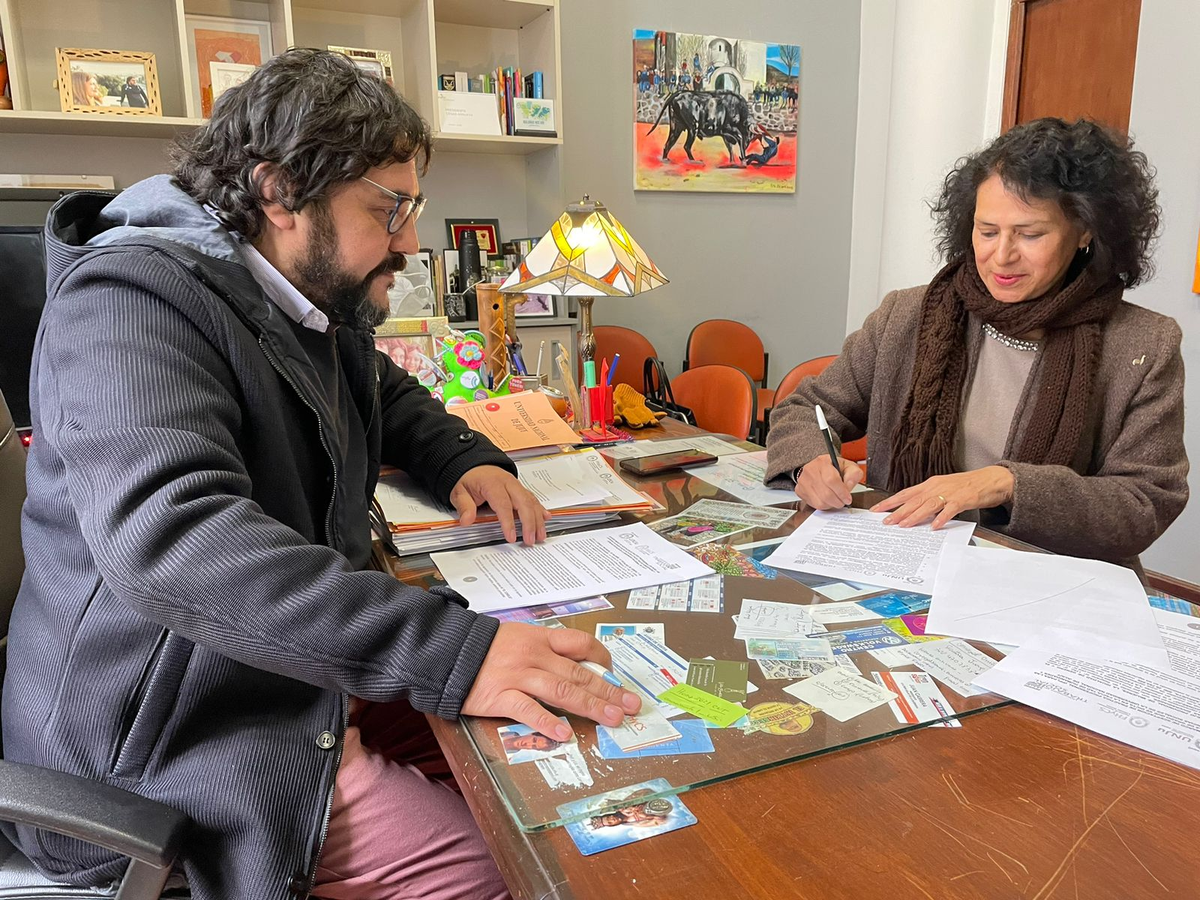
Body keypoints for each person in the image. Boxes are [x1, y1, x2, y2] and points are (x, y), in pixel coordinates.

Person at [2, 49, 641, 900]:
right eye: (388, 209)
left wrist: (462, 458)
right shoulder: (125, 304)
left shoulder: (290, 296)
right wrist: (454, 653)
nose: (410, 240)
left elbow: (381, 387)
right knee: (530, 872)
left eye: (412, 207)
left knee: (571, 769)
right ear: (279, 192)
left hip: (283, 675)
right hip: (172, 738)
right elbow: (177, 540)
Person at [766, 118, 1188, 572]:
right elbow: (805, 409)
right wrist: (808, 462)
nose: (1002, 256)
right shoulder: (906, 315)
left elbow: (1146, 501)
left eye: (1030, 234)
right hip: (907, 564)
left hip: (1051, 583)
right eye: (987, 231)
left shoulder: (1143, 345)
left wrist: (1007, 485)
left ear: (1086, 231)